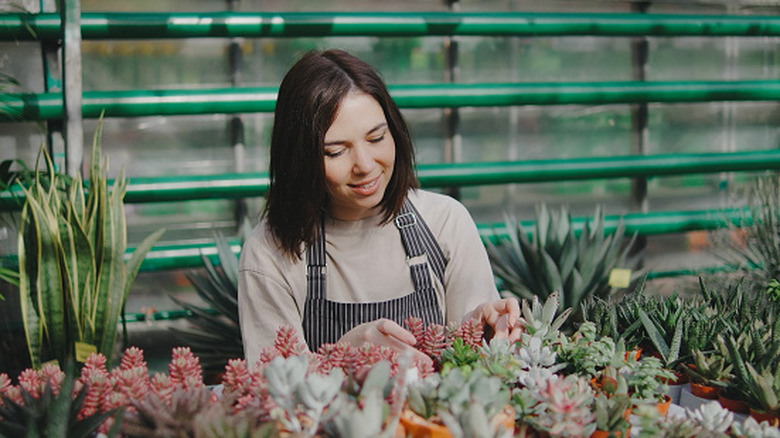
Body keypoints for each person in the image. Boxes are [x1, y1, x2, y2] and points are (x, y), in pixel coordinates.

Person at [238, 49, 520, 367]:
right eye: (335, 151)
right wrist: (345, 356)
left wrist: (484, 328)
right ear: (299, 159)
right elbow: (268, 390)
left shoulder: (445, 222)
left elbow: (474, 360)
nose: (365, 165)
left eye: (376, 138)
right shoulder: (270, 253)